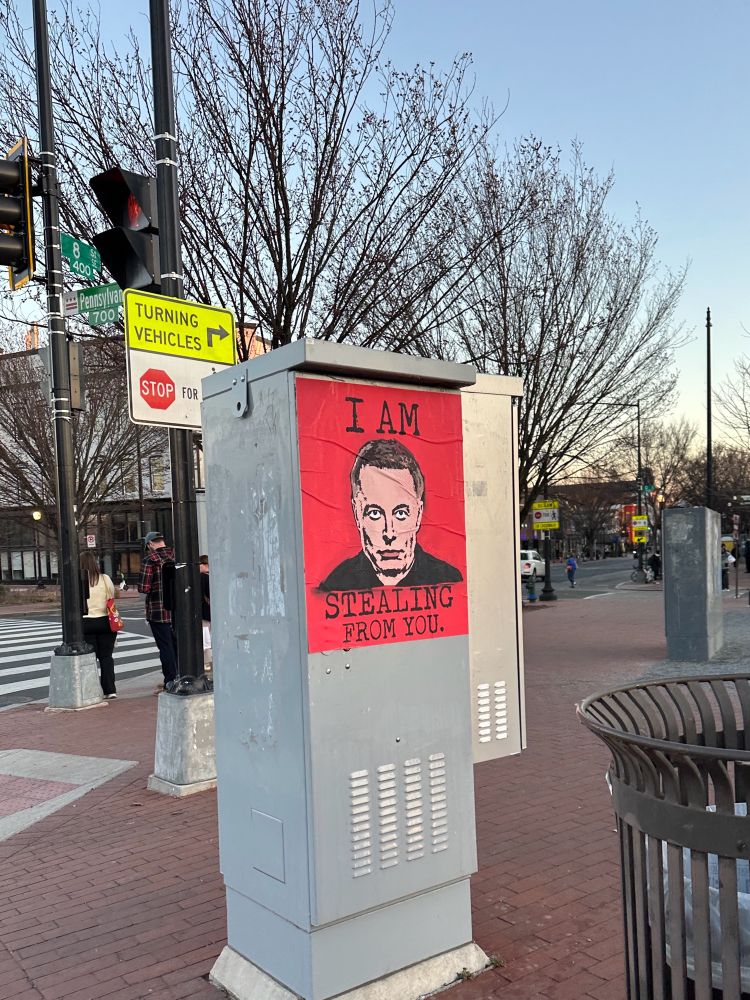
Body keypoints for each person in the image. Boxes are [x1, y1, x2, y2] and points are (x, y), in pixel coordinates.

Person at [318, 438, 463, 591]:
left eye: (400, 514)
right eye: (375, 514)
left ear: (418, 515)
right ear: (357, 514)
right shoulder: (334, 586)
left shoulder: (448, 581)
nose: (389, 533)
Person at [138, 531, 177, 689]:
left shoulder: (150, 560)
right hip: (179, 611)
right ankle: (183, 675)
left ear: (150, 544)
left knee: (165, 647)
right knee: (178, 645)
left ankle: (170, 680)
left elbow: (144, 588)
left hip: (158, 611)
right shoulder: (178, 556)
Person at [80, 551, 119, 699]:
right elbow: (111, 598)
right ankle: (110, 690)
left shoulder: (78, 580)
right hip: (105, 621)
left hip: (86, 622)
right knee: (106, 657)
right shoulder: (105, 579)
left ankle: (90, 690)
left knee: (89, 659)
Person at [199, 554, 211, 671]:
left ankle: (206, 664)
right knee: (207, 638)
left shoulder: (202, 578)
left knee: (205, 640)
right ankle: (207, 663)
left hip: (204, 613)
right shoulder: (210, 577)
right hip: (209, 613)